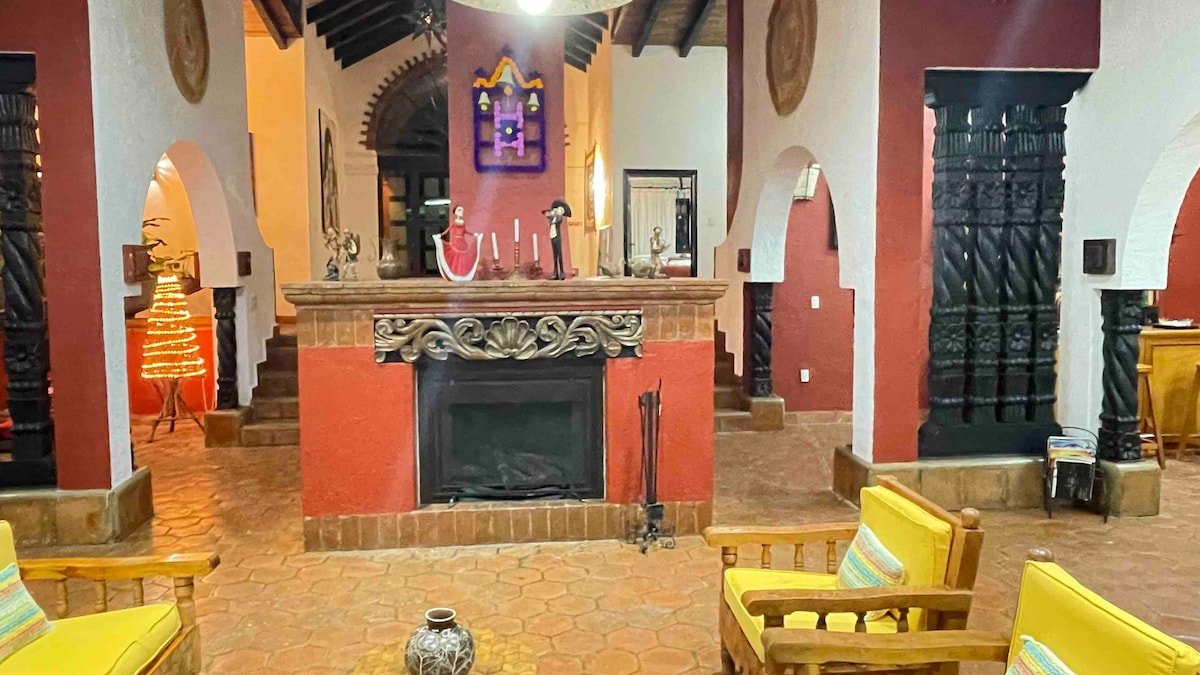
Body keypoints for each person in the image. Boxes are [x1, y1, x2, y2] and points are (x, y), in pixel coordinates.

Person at [542, 199, 572, 280]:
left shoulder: (559, 218)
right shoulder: (552, 218)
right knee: (555, 255)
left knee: (559, 255)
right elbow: (545, 214)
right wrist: (551, 213)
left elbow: (557, 221)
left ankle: (561, 272)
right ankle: (555, 272)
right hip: (553, 237)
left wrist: (554, 215)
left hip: (557, 238)